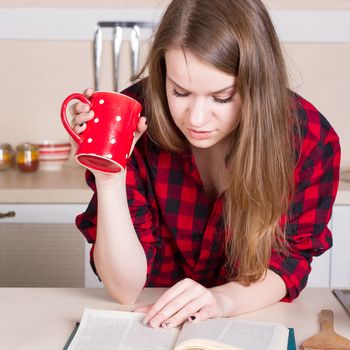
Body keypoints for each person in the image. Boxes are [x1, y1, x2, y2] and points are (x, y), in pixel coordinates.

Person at [71, 0, 340, 329]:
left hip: (251, 318)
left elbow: (288, 265)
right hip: (149, 323)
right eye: (180, 92)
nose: (196, 118)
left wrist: (221, 300)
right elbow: (125, 289)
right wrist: (109, 176)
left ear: (257, 85)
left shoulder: (309, 140)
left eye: (222, 97)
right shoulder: (135, 119)